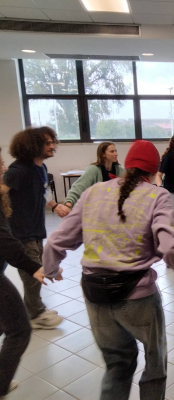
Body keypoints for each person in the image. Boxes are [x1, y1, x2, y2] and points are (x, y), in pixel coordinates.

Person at [42, 140, 174, 400]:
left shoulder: (93, 192)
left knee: (117, 365)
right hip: (137, 295)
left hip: (94, 293)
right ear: (153, 170)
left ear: (125, 165)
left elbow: (56, 241)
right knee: (155, 364)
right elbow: (172, 248)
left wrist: (51, 269)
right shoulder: (157, 195)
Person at [0, 147, 52, 398]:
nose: (4, 169)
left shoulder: (39, 169)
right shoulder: (18, 171)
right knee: (19, 330)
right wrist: (34, 268)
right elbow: (5, 242)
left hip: (31, 231)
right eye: (0, 165)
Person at [1, 127, 63, 329]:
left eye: (52, 141)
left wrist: (56, 206)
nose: (52, 146)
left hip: (35, 228)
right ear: (33, 145)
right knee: (33, 272)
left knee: (37, 269)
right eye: (47, 143)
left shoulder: (41, 168)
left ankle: (34, 308)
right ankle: (35, 314)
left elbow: (43, 191)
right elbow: (2, 190)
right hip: (20, 231)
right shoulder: (18, 170)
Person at [57, 142, 125, 217]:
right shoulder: (94, 169)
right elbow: (79, 187)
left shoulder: (120, 169)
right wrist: (68, 205)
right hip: (96, 210)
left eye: (116, 151)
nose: (116, 154)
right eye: (112, 151)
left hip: (113, 209)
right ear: (103, 154)